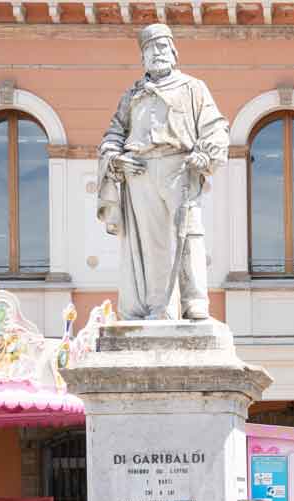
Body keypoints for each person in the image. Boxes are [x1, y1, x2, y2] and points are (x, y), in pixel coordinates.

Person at [96, 24, 228, 322]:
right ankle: (160, 307)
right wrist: (116, 158)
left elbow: (216, 127)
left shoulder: (193, 88)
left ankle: (195, 302)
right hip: (139, 171)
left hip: (179, 167)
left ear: (173, 52)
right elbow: (113, 134)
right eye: (149, 49)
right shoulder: (132, 95)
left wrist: (204, 154)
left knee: (189, 233)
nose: (157, 53)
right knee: (152, 243)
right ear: (142, 58)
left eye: (162, 47)